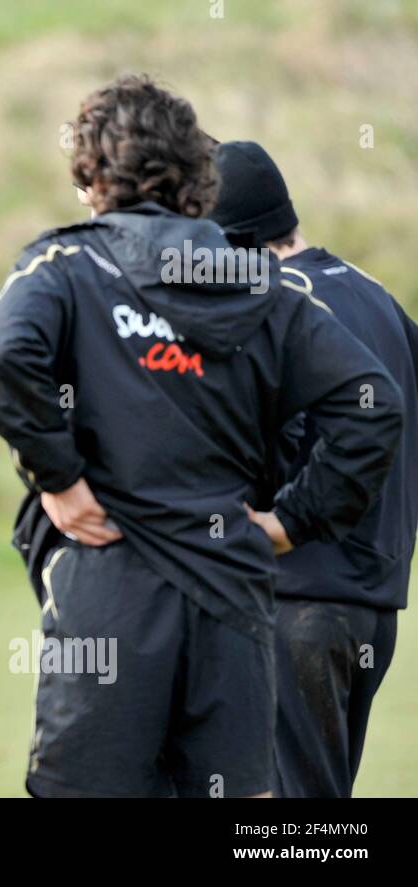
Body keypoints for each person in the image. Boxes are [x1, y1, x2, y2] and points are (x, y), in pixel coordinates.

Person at [0, 75, 402, 797]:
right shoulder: (268, 285)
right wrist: (295, 520)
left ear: (91, 173)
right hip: (234, 591)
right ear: (198, 174)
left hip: (107, 588)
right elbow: (374, 402)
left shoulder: (68, 264)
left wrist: (60, 480)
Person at [209, 140, 418, 797]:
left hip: (292, 599)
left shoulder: (267, 306)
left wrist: (281, 523)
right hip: (373, 608)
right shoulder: (377, 296)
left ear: (230, 239)